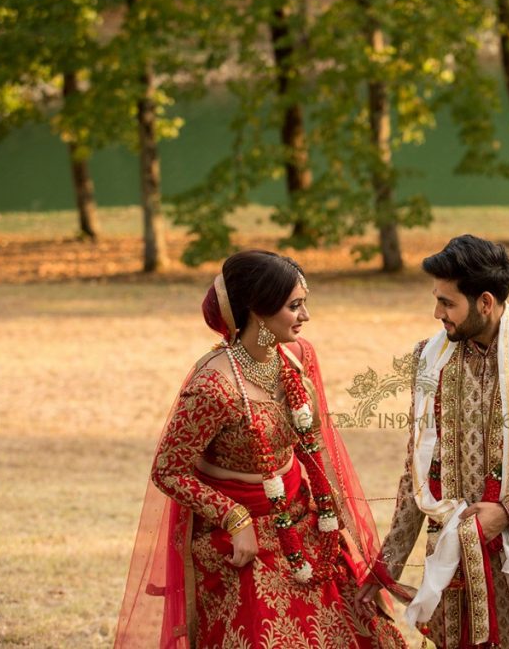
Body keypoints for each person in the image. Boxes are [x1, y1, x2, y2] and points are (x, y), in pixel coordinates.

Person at [115, 250, 406, 648]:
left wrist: (331, 508)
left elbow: (313, 439)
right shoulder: (213, 387)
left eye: (304, 303)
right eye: (295, 306)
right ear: (258, 310)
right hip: (237, 541)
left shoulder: (299, 357)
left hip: (301, 516)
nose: (306, 316)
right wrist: (235, 520)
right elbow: (168, 471)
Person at [358, 235, 509, 648]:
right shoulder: (430, 360)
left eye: (447, 302)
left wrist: (507, 512)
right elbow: (417, 477)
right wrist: (388, 564)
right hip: (458, 563)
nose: (437, 312)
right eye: (437, 300)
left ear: (486, 302)